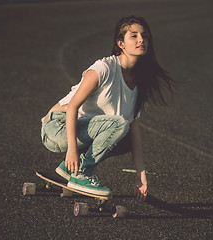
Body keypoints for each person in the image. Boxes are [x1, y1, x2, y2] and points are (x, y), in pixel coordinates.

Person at [40, 16, 174, 202]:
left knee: (125, 137)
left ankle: (67, 169)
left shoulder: (139, 83)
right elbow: (72, 107)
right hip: (57, 126)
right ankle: (83, 174)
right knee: (119, 124)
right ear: (121, 43)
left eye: (144, 36)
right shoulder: (104, 68)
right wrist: (72, 150)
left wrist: (140, 174)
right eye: (133, 36)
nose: (141, 40)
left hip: (83, 130)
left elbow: (134, 131)